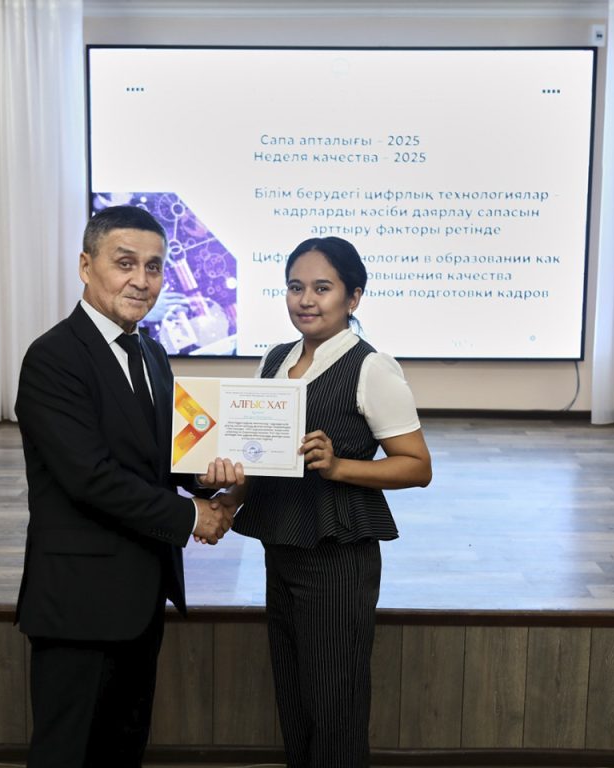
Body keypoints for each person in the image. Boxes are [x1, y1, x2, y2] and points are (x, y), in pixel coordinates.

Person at [14, 204, 241, 768]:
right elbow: (90, 477)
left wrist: (206, 473)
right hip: (80, 602)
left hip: (140, 594)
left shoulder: (152, 353)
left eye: (154, 266)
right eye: (125, 263)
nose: (142, 280)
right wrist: (192, 516)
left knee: (123, 749)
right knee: (67, 755)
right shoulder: (52, 358)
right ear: (85, 266)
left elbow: (157, 452)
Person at [226, 236, 432, 767]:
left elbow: (417, 465)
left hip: (337, 555)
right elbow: (263, 454)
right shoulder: (275, 360)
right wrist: (229, 499)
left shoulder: (371, 367)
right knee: (295, 695)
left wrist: (340, 467)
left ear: (353, 297)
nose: (306, 300)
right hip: (281, 545)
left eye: (322, 288)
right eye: (295, 287)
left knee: (334, 701)